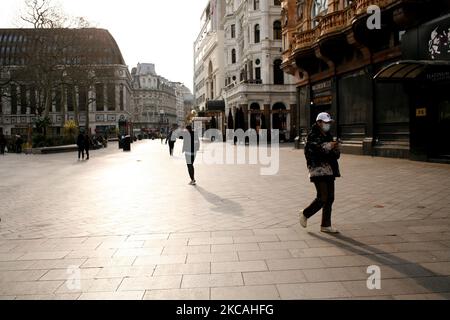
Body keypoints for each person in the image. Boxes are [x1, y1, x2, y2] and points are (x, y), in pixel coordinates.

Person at [299, 112, 341, 234]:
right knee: (322, 197)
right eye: (326, 123)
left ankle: (326, 225)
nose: (328, 125)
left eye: (329, 123)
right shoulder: (311, 136)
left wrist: (332, 148)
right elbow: (317, 151)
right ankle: (305, 213)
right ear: (319, 123)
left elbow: (336, 154)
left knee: (330, 198)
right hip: (317, 170)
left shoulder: (329, 136)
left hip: (330, 170)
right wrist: (329, 147)